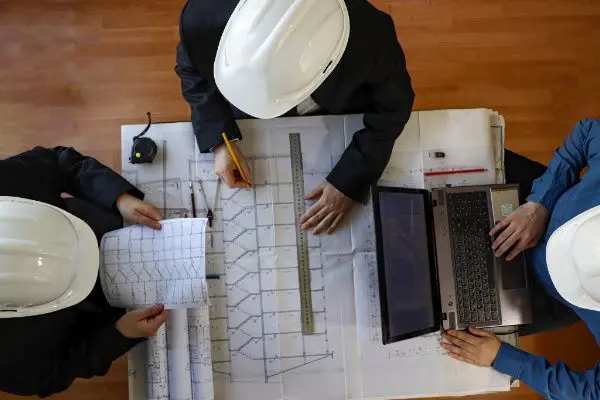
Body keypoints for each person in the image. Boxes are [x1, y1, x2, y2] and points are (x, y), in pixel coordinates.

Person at [176, 0, 414, 235]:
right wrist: (219, 139)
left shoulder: (367, 35)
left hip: (335, 108)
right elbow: (192, 69)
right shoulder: (204, 16)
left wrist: (352, 178)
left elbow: (394, 105)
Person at [441, 119, 600, 399]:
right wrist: (540, 204)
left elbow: (592, 393)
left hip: (543, 297)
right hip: (527, 205)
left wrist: (503, 358)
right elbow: (588, 132)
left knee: (442, 320)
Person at [0, 146, 169, 397]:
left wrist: (119, 198)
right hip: (110, 314)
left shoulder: (8, 184)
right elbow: (58, 371)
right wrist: (119, 334)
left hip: (112, 225)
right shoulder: (11, 360)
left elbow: (60, 164)